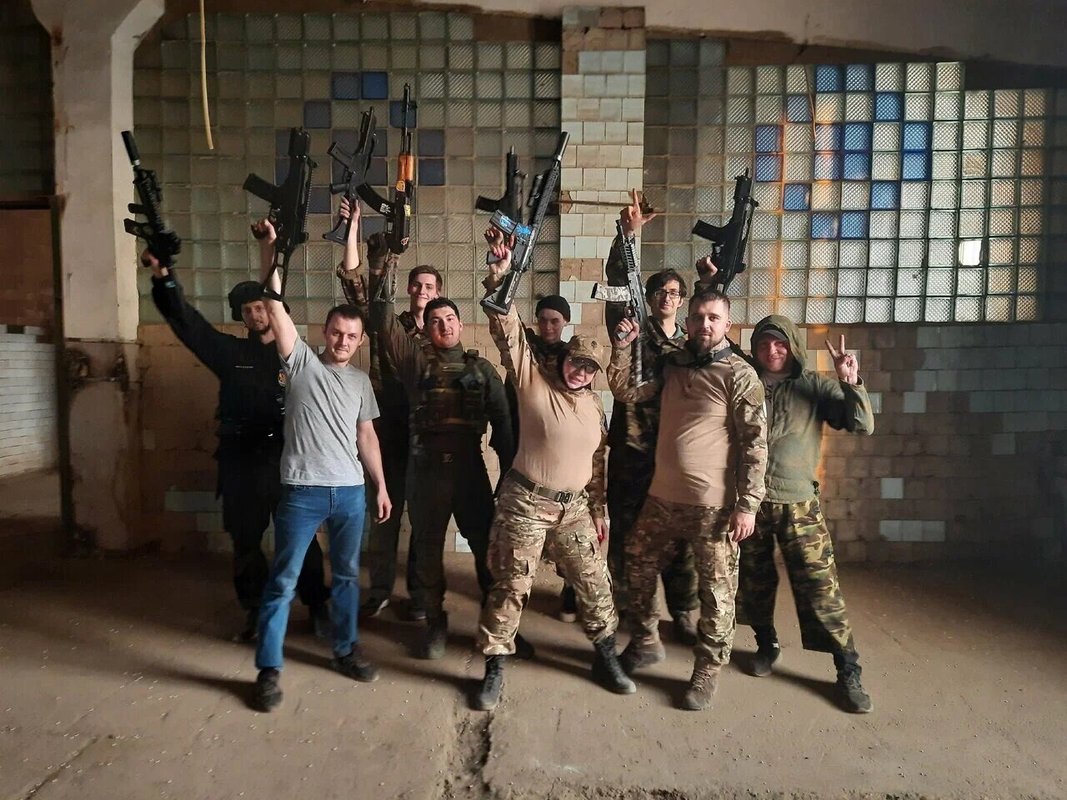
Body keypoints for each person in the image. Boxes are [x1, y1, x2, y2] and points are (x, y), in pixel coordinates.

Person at [474, 232, 635, 711]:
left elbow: (597, 462)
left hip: (575, 510)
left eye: (589, 368)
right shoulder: (533, 383)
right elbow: (507, 330)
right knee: (511, 585)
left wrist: (599, 510)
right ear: (564, 358)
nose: (580, 372)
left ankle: (606, 656)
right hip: (525, 503)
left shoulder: (594, 407)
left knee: (595, 583)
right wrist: (500, 274)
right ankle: (494, 666)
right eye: (575, 363)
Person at [145, 250, 328, 643]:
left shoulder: (297, 357)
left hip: (287, 461)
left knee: (301, 539)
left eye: (261, 307)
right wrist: (164, 278)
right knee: (245, 543)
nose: (255, 315)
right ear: (241, 317)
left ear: (275, 310)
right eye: (247, 310)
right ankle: (257, 613)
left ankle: (318, 607)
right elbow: (188, 323)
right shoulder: (230, 353)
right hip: (241, 461)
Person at [250, 218, 391, 713]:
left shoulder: (360, 382)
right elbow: (273, 304)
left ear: (359, 340)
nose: (343, 341)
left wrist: (380, 485)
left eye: (351, 336)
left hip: (350, 493)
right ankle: (268, 670)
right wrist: (270, 249)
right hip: (302, 492)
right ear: (324, 333)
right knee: (283, 581)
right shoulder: (301, 363)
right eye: (336, 332)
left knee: (348, 577)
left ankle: (345, 650)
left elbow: (366, 435)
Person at [609, 288, 767, 711]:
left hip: (713, 505)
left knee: (716, 592)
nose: (704, 324)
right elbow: (627, 391)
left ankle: (707, 670)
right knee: (636, 564)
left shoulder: (740, 374)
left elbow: (755, 443)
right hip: (662, 496)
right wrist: (623, 347)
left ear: (727, 324)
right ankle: (645, 640)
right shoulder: (674, 363)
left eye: (713, 318)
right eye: (698, 317)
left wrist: (748, 504)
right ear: (688, 321)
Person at [365, 220, 516, 661]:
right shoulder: (414, 363)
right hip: (426, 471)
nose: (444, 325)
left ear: (460, 324)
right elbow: (381, 320)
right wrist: (383, 265)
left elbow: (504, 427)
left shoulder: (481, 369)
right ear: (426, 328)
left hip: (469, 471)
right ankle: (434, 621)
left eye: (450, 319)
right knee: (427, 551)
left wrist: (508, 479)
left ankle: (497, 625)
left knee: (486, 548)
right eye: (435, 321)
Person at [738, 316, 875, 714]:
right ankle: (766, 644)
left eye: (780, 343)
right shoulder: (745, 382)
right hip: (751, 503)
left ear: (793, 346)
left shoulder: (813, 385)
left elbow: (861, 424)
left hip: (797, 502)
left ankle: (847, 669)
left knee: (820, 587)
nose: (772, 350)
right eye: (764, 343)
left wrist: (850, 381)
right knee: (754, 580)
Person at [336, 202, 440, 621]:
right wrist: (353, 232)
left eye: (429, 286)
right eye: (417, 284)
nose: (422, 290)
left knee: (423, 519)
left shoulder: (444, 335)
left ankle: (417, 594)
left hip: (424, 434)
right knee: (383, 513)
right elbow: (355, 285)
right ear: (408, 288)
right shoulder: (385, 324)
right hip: (386, 428)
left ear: (437, 293)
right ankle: (379, 589)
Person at [602, 190, 699, 644]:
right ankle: (628, 606)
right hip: (633, 451)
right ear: (650, 296)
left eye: (675, 293)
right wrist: (626, 236)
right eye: (660, 291)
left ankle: (682, 609)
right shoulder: (632, 328)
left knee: (679, 539)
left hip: (676, 455)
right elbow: (618, 283)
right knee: (627, 532)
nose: (667, 297)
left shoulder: (691, 345)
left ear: (681, 302)